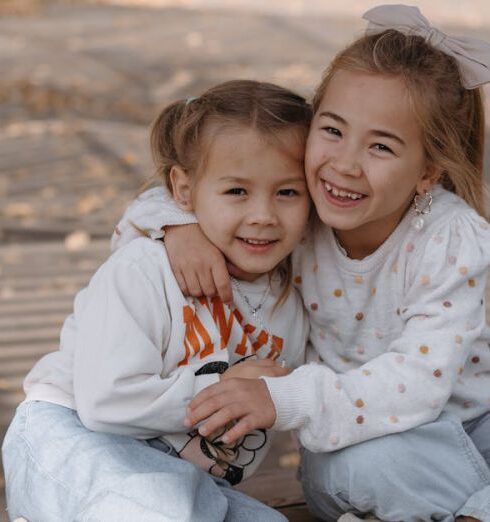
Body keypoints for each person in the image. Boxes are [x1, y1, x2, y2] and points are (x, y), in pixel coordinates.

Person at [109, 6, 490, 522]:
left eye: (381, 145)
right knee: (343, 472)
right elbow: (190, 191)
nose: (345, 164)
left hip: (474, 427)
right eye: (332, 130)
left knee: (370, 468)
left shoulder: (452, 241)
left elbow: (420, 381)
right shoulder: (300, 208)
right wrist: (179, 227)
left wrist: (281, 398)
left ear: (427, 172)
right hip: (375, 439)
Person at [1, 80, 312, 522]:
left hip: (178, 476)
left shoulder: (294, 301)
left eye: (287, 192)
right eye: (236, 191)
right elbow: (105, 400)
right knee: (156, 508)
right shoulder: (147, 268)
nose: (263, 214)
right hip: (71, 434)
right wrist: (225, 391)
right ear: (184, 191)